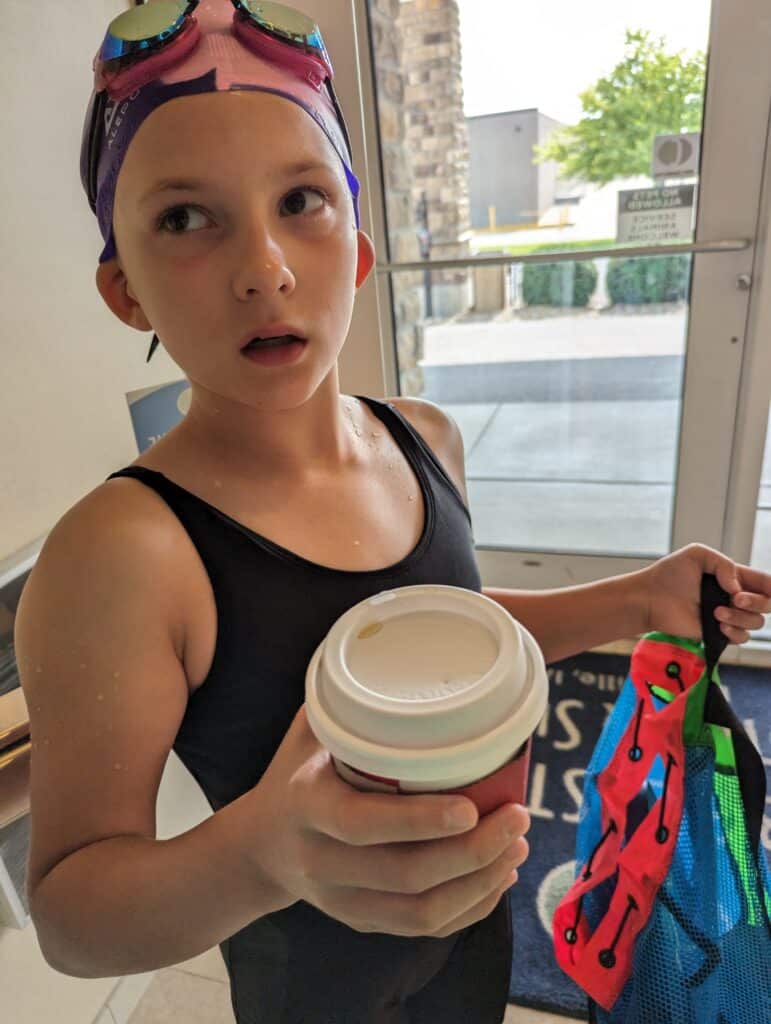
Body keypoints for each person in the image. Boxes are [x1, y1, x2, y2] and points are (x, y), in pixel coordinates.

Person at [13, 3, 771, 1023]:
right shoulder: (124, 554)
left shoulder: (426, 438)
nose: (265, 269)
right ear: (125, 290)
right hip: (317, 988)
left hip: (475, 937)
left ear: (360, 249)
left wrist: (638, 598)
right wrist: (264, 849)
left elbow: (450, 627)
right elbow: (69, 914)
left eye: (302, 200)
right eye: (186, 218)